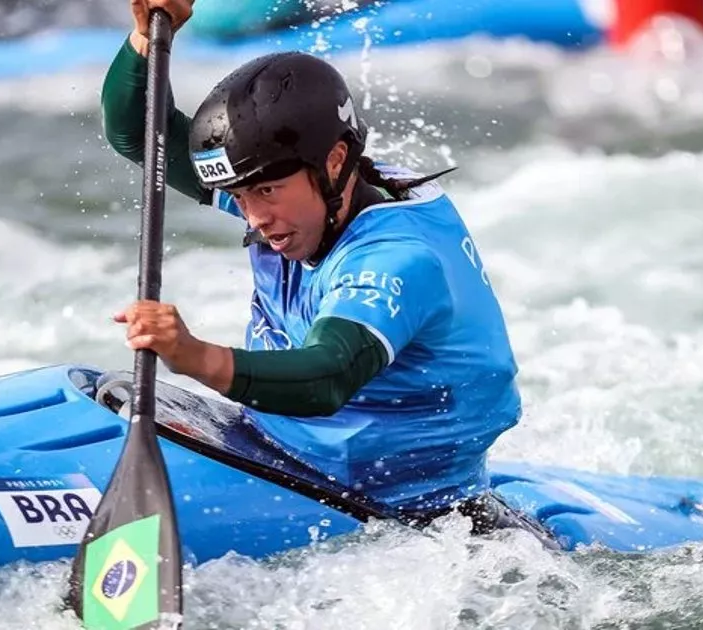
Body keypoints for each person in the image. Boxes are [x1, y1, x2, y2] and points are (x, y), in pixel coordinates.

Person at [105, 0, 551, 542]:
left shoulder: (395, 260)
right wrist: (149, 39)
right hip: (273, 449)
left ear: (335, 162)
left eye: (265, 192)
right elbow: (140, 135)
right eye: (238, 196)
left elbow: (327, 375)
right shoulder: (303, 196)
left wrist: (192, 355)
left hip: (414, 516)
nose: (253, 217)